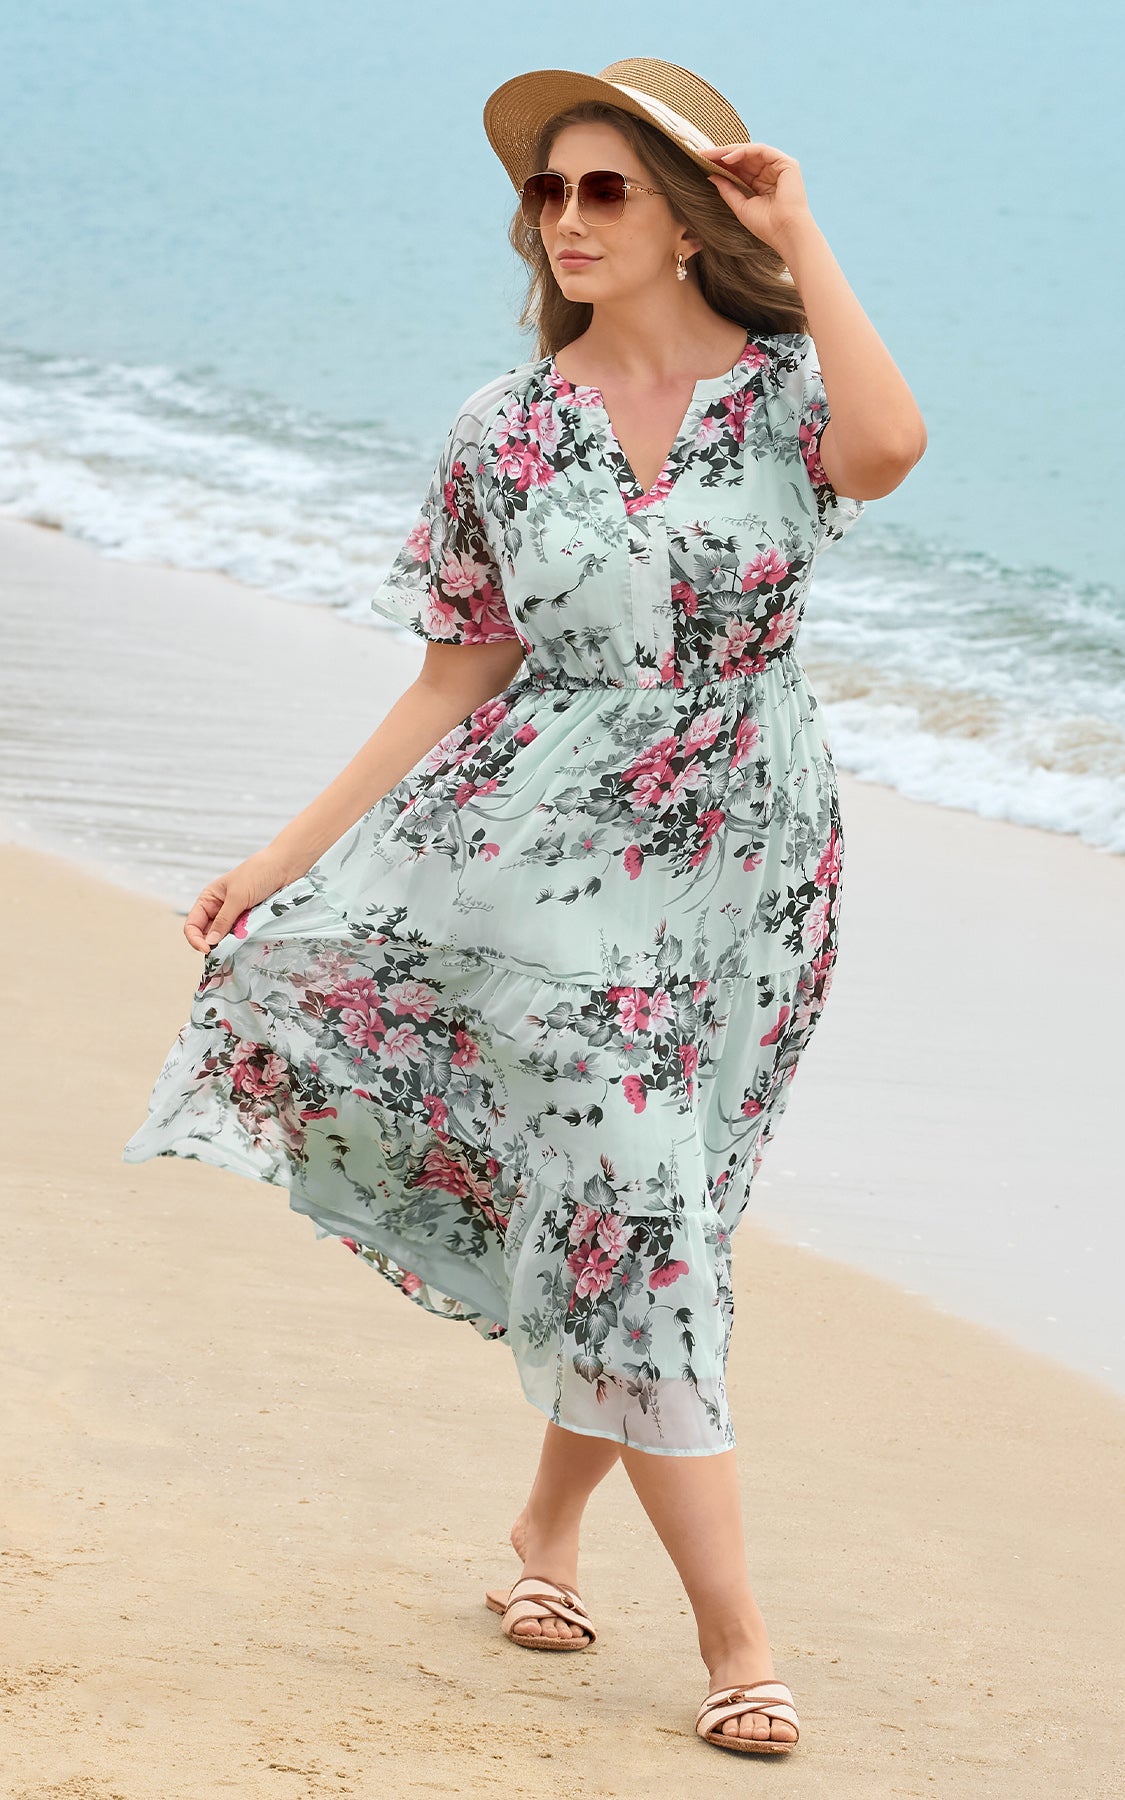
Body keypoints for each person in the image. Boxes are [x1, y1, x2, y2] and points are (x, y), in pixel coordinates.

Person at [122, 56, 925, 1756]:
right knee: (633, 1203)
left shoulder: (787, 395)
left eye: (604, 188)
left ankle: (546, 1531)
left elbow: (891, 448)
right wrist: (278, 862)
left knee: (659, 1217)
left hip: (756, 872)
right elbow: (456, 672)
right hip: (544, 863)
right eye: (547, 191)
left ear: (688, 217)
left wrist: (804, 230)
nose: (564, 217)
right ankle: (739, 1644)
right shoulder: (503, 428)